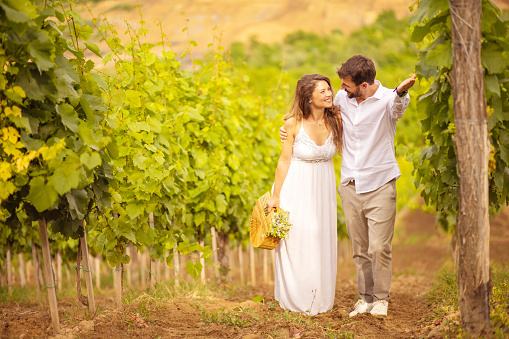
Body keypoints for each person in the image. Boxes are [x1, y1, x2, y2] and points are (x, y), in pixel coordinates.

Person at [280, 55, 416, 317]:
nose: (339, 90)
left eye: (345, 85)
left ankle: (381, 299)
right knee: (360, 249)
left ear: (363, 86)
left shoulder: (388, 100)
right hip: (351, 185)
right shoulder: (343, 99)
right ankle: (364, 299)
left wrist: (400, 92)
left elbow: (398, 107)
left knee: (379, 247)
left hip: (380, 183)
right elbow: (312, 112)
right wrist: (287, 126)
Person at [266, 74, 343, 316]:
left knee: (321, 238)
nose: (328, 93)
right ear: (308, 98)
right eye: (322, 91)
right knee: (299, 238)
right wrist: (275, 195)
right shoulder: (292, 124)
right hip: (297, 186)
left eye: (329, 89)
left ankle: (319, 299)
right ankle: (297, 299)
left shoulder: (338, 120)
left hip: (324, 188)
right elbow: (284, 160)